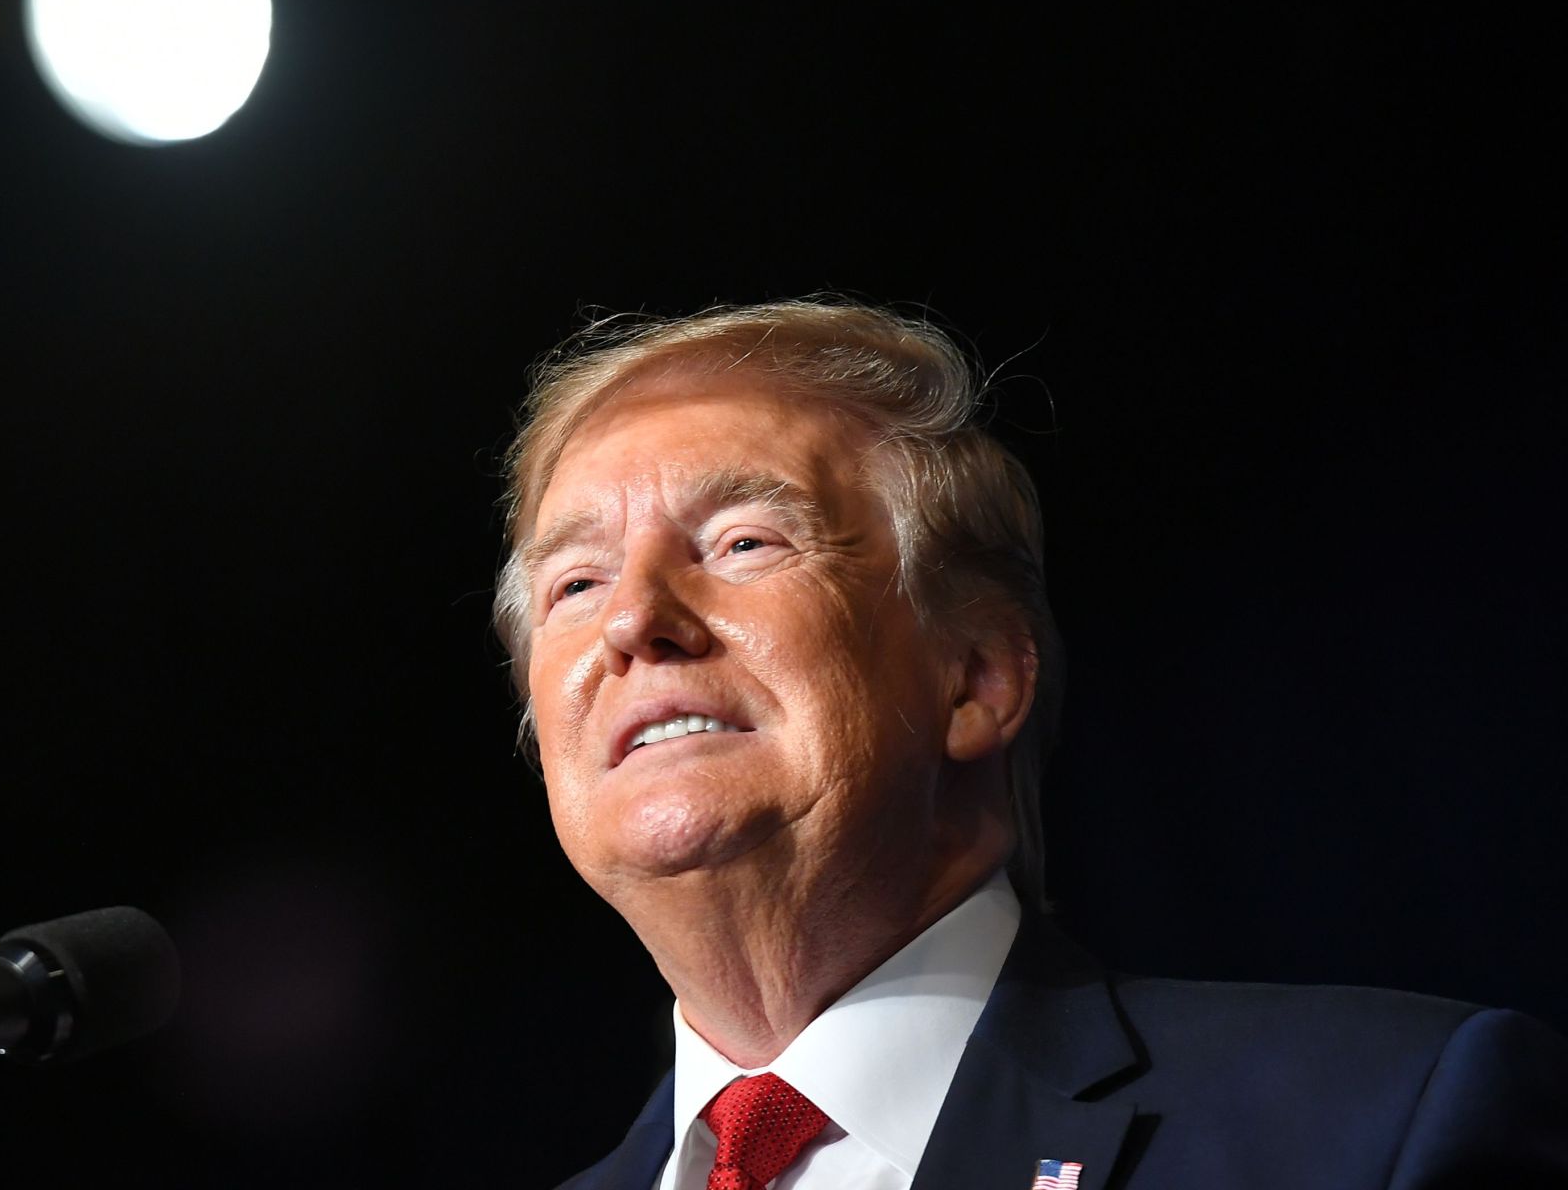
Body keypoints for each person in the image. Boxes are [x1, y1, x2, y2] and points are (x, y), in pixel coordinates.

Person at [494, 299, 1567, 1190]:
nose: (633, 620)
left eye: (743, 542)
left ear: (976, 679)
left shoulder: (1378, 1124)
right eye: (574, 584)